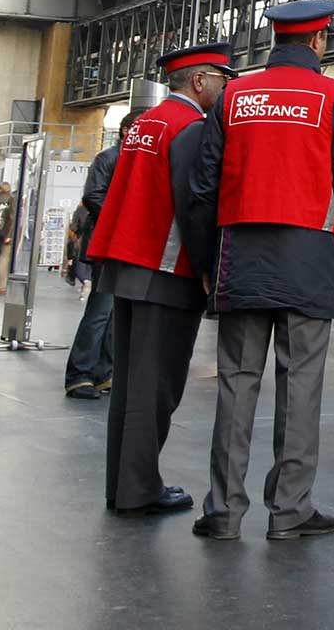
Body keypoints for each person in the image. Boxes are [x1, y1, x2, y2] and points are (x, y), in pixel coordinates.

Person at [191, 0, 334, 542]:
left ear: (276, 39)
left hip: (240, 257)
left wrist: (207, 263)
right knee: (300, 385)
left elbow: (204, 189)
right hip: (310, 258)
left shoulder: (233, 96)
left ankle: (223, 511)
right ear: (320, 42)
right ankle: (290, 511)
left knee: (236, 383)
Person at [90, 43, 228, 517]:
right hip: (166, 270)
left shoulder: (146, 123)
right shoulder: (189, 128)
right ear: (199, 81)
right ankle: (140, 489)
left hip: (128, 264)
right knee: (157, 387)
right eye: (221, 78)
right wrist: (209, 266)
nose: (225, 87)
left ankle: (122, 484)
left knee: (130, 386)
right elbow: (195, 203)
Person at [64, 137, 121, 400]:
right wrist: (124, 218)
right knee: (100, 310)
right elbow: (93, 195)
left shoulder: (121, 157)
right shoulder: (109, 158)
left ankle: (101, 373)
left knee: (111, 313)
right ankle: (81, 374)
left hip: (117, 244)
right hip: (107, 244)